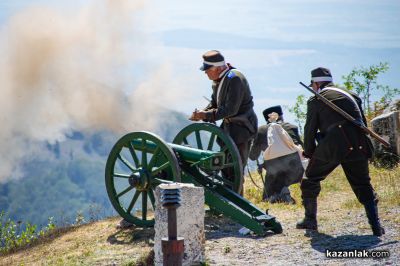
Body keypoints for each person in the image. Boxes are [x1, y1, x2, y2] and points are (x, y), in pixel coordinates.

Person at [296, 67, 384, 236]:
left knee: (310, 179)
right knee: (363, 184)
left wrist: (309, 152)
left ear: (316, 83)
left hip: (333, 145)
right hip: (359, 144)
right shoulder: (352, 96)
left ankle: (310, 220)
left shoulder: (316, 100)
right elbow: (362, 124)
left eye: (313, 85)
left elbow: (310, 130)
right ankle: (376, 227)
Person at [189, 50, 258, 194]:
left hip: (242, 129)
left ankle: (238, 205)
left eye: (208, 70)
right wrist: (201, 113)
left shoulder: (235, 79)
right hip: (229, 129)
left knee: (235, 169)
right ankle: (229, 200)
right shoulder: (218, 81)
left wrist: (206, 115)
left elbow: (230, 110)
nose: (206, 73)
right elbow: (215, 104)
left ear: (218, 68)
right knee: (226, 168)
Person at [249, 107, 304, 203]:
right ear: (281, 116)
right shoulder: (292, 127)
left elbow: (253, 156)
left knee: (267, 199)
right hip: (297, 171)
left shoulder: (261, 131)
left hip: (276, 172)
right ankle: (288, 193)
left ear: (267, 119)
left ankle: (279, 194)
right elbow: (302, 148)